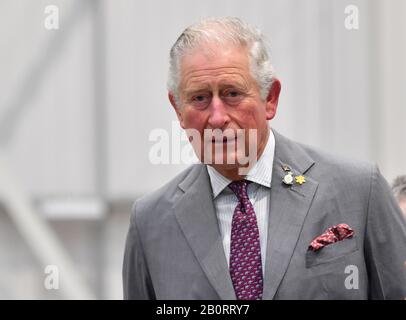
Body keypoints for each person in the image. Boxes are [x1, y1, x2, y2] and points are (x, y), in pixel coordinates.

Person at [123, 17, 406, 300]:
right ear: (178, 109)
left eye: (232, 93)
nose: (218, 117)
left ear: (270, 98)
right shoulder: (151, 223)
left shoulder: (358, 192)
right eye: (199, 98)